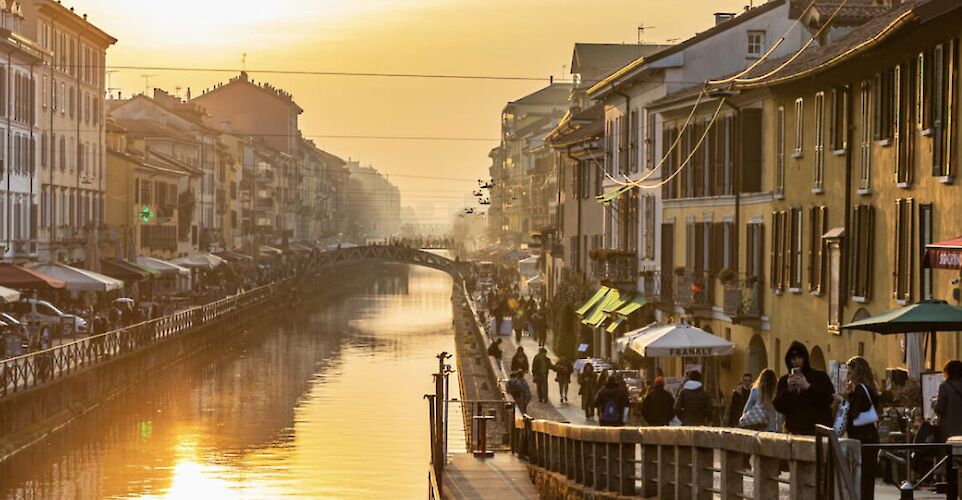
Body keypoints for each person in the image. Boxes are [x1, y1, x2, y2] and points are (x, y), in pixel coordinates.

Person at [836, 356, 880, 500]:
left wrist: (846, 398)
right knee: (867, 480)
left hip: (863, 439)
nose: (848, 377)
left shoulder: (860, 389)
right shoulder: (870, 388)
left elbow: (854, 415)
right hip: (870, 438)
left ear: (857, 372)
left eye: (849, 373)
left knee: (861, 479)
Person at [773, 341, 835, 435]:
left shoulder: (819, 377)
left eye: (799, 357)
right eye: (793, 358)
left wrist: (807, 387)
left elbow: (828, 399)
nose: (796, 361)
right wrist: (788, 391)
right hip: (793, 430)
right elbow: (778, 406)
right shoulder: (784, 380)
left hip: (816, 431)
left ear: (805, 358)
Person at [934, 359, 962, 440]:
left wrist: (934, 403)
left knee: (948, 451)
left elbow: (939, 409)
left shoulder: (945, 386)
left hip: (948, 430)